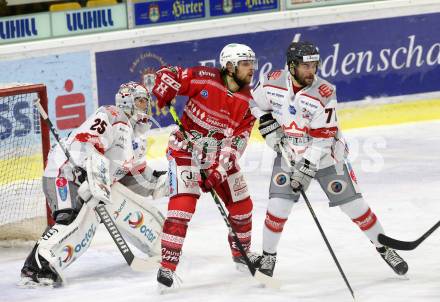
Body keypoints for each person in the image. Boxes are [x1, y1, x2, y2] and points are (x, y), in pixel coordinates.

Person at [250, 41, 409, 278]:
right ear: (291, 66)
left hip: (327, 158)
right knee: (276, 208)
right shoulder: (272, 81)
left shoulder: (324, 92)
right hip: (289, 154)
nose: (311, 71)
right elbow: (254, 103)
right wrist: (266, 123)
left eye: (314, 65)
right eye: (305, 66)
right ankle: (269, 257)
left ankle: (384, 249)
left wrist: (306, 167)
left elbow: (323, 139)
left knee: (355, 207)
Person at [19, 82, 168, 287]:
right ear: (127, 101)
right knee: (69, 217)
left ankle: (50, 259)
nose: (145, 107)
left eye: (146, 102)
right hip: (65, 174)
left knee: (83, 233)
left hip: (94, 185)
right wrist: (83, 170)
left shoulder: (137, 139)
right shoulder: (112, 115)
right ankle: (34, 268)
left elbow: (133, 177)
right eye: (140, 101)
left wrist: (160, 182)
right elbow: (86, 140)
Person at [151, 43, 260, 288]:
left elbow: (239, 141)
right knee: (181, 209)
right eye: (245, 64)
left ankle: (241, 255)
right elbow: (167, 74)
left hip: (218, 156)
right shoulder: (205, 78)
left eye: (252, 63)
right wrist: (164, 89)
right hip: (185, 150)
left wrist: (219, 171)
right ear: (230, 66)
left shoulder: (250, 101)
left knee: (243, 205)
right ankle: (167, 268)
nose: (251, 69)